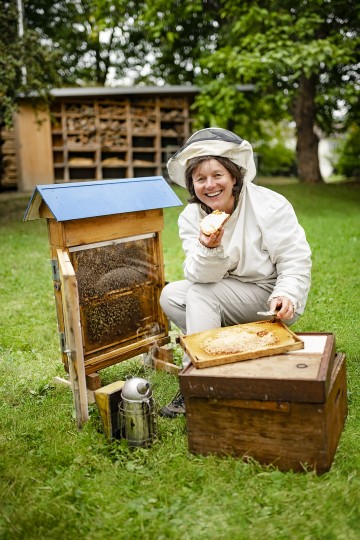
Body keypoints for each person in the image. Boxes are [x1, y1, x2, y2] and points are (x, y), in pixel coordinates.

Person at [159, 128, 312, 418]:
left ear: (234, 176)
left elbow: (294, 258)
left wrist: (287, 293)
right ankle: (227, 353)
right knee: (171, 296)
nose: (210, 185)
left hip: (268, 297)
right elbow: (197, 273)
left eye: (218, 175)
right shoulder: (191, 217)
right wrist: (209, 249)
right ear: (192, 185)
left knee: (202, 294)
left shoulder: (269, 205)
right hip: (222, 290)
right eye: (200, 178)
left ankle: (200, 382)